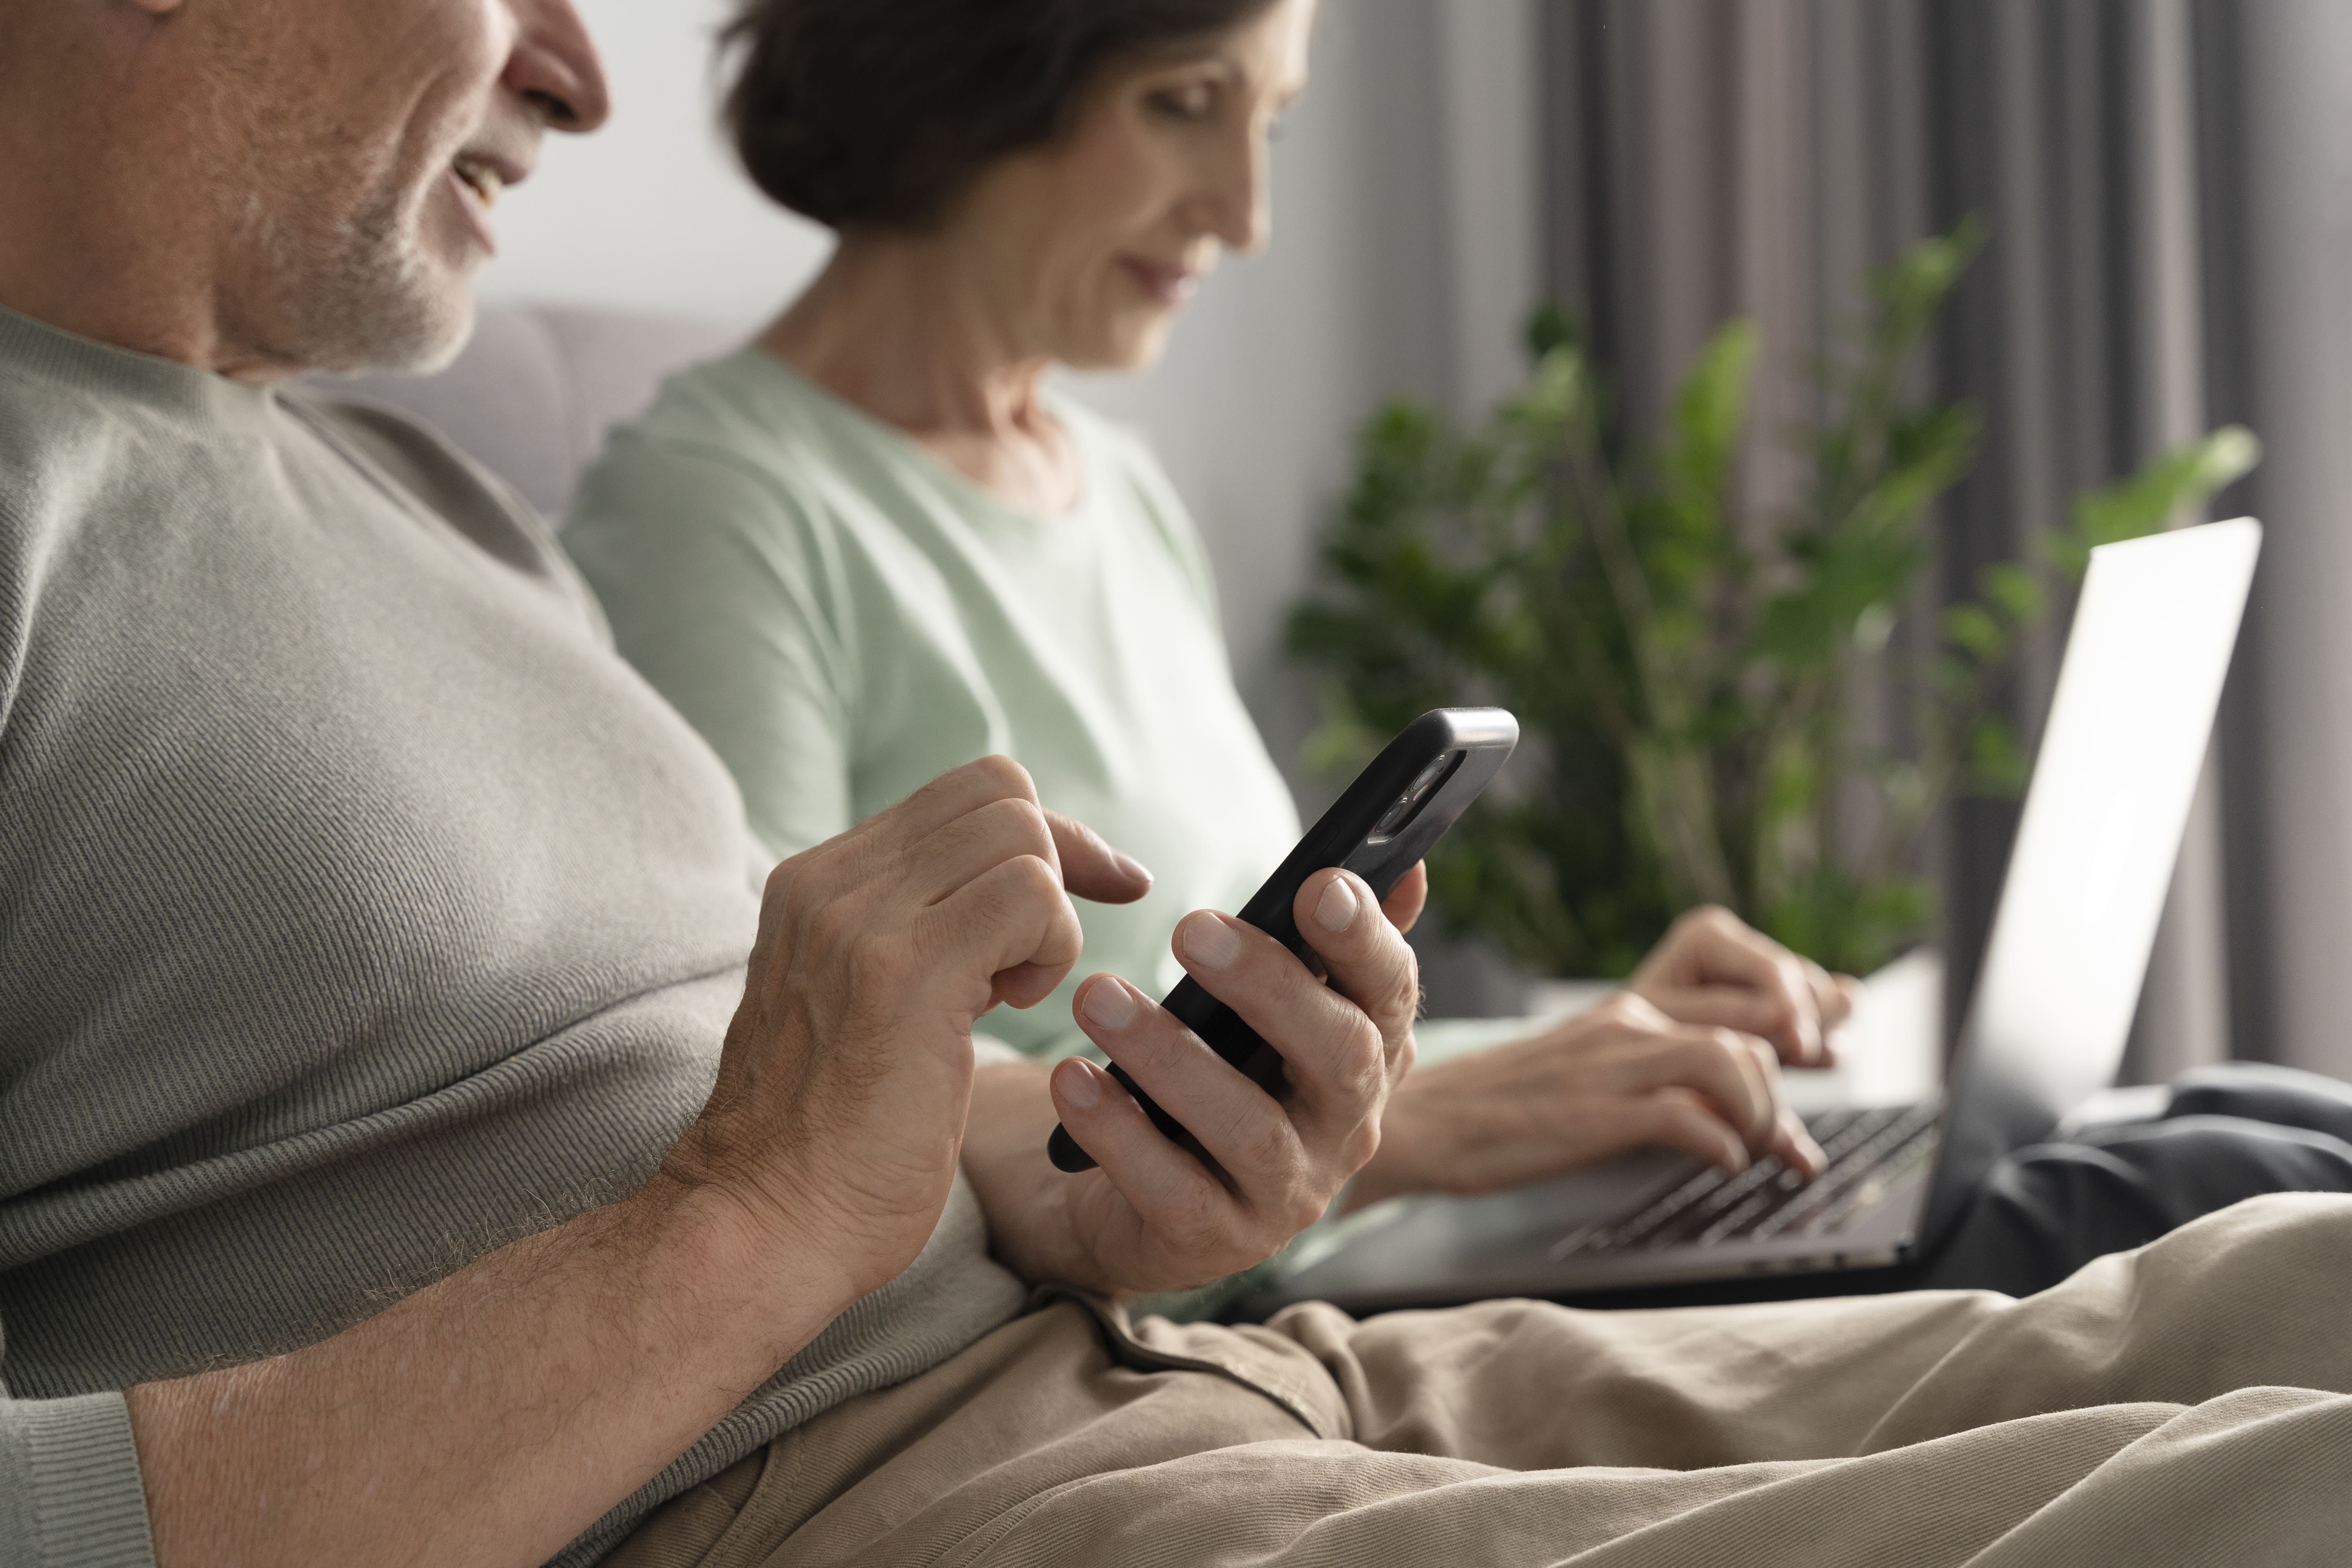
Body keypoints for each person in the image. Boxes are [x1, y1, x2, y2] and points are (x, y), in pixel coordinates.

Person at [1, 5, 2350, 1568]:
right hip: (838, 1501)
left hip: (1210, 1351)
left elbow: (812, 1107)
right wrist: (737, 1225)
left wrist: (1139, 1160)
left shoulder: (431, 500)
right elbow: (744, 1183)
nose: (578, 71)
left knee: (2283, 1260)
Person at [562, 0, 2352, 1299]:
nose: (1245, 216)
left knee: (2249, 1105)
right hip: (1263, 1289)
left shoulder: (1106, 485)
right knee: (2211, 1185)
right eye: (1186, 102)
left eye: (1268, 118)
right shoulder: (721, 506)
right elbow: (764, 1112)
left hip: (1371, 1219)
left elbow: (1237, 986)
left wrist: (1581, 1048)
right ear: (952, 68)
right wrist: (1446, 1118)